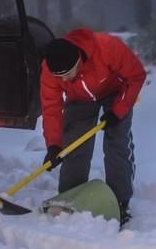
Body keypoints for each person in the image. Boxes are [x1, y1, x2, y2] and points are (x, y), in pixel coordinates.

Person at [40, 28, 146, 226]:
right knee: (73, 147)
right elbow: (51, 108)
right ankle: (69, 198)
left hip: (116, 92)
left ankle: (119, 202)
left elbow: (136, 75)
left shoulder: (107, 48)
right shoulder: (49, 68)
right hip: (80, 98)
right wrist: (54, 145)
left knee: (117, 143)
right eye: (58, 76)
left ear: (78, 61)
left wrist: (119, 110)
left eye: (66, 74)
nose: (63, 80)